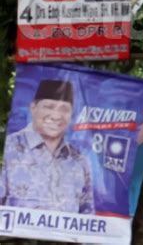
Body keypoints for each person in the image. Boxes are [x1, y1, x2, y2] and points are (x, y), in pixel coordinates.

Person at [0, 80, 94, 214]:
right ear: (33, 107)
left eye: (64, 109)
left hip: (66, 235)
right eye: (49, 106)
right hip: (14, 235)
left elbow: (87, 214)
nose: (56, 116)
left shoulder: (79, 160)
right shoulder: (10, 147)